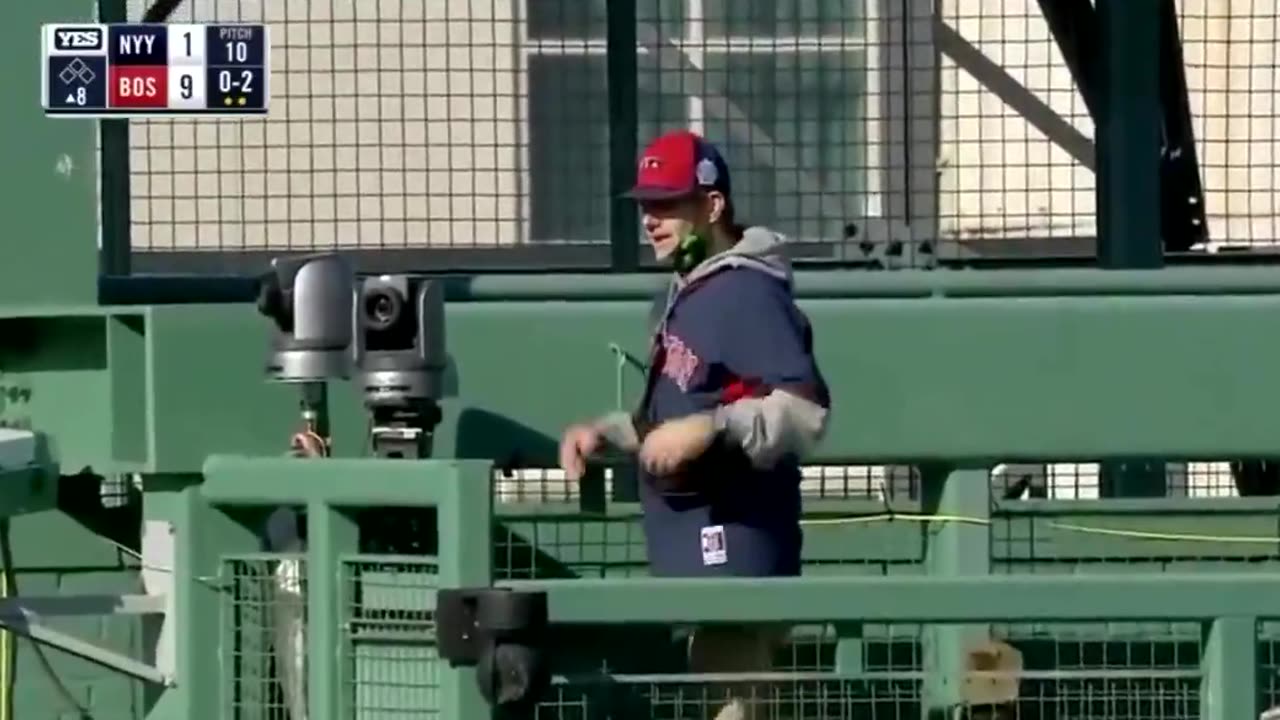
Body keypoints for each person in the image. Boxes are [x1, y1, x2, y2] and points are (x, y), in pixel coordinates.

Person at [558, 129, 832, 720]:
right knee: (724, 684)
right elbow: (672, 415)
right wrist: (607, 434)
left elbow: (805, 411)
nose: (651, 221)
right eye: (646, 207)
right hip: (696, 541)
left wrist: (712, 429)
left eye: (667, 205)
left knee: (736, 689)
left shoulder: (749, 289)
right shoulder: (688, 290)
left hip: (738, 539)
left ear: (712, 206)